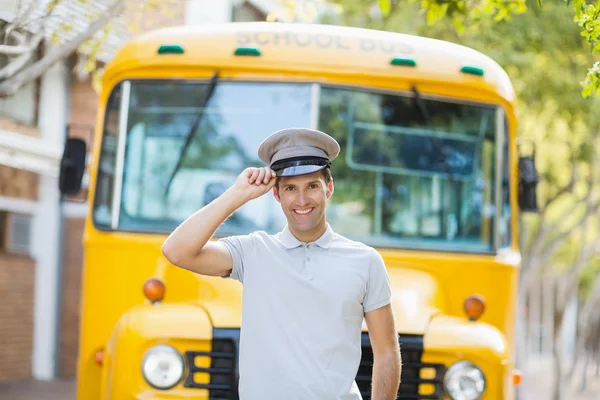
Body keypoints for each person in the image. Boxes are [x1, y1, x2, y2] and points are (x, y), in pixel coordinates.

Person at [162, 127, 401, 400]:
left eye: (312, 186)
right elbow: (176, 251)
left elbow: (386, 353)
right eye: (290, 188)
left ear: (329, 188)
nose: (301, 200)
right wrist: (238, 194)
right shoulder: (252, 251)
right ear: (276, 195)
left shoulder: (365, 261)